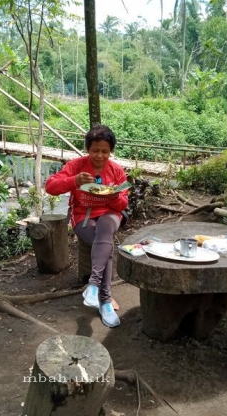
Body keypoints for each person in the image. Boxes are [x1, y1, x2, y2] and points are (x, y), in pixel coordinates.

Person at [45, 124, 129, 328]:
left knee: (106, 228)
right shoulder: (76, 166)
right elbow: (50, 186)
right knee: (105, 246)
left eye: (105, 151)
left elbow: (123, 204)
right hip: (83, 215)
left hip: (110, 213)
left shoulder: (116, 171)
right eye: (95, 150)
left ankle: (95, 289)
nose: (100, 156)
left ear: (111, 151)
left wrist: (115, 195)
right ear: (87, 149)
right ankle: (104, 300)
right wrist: (74, 181)